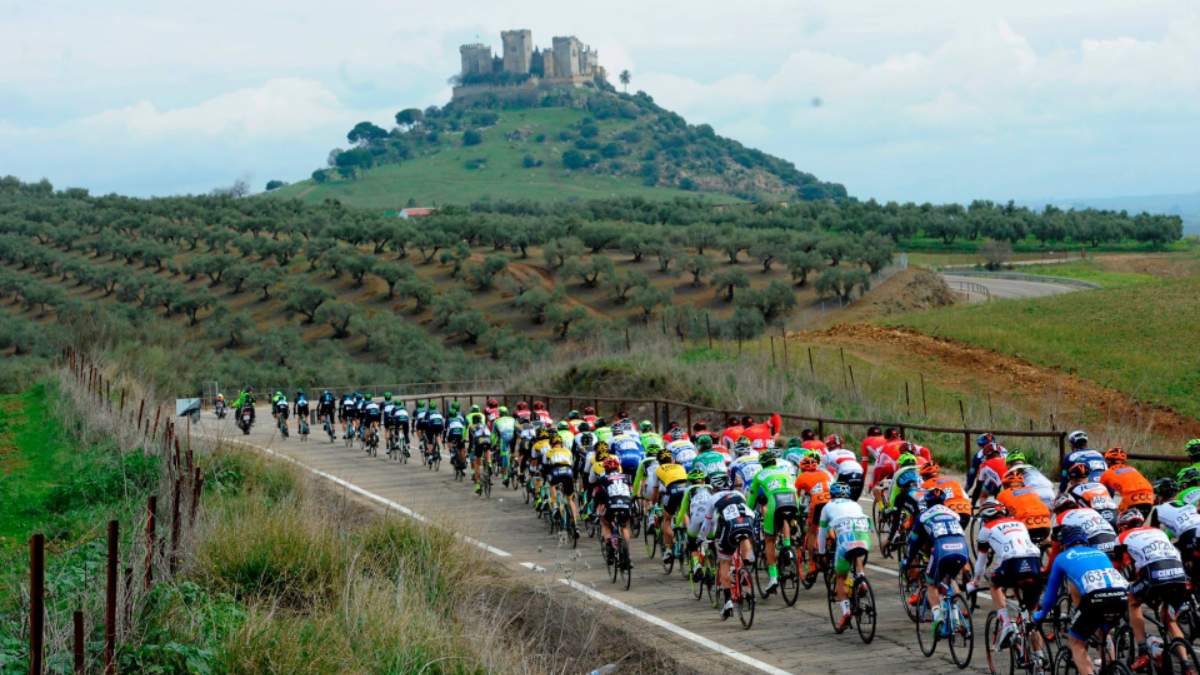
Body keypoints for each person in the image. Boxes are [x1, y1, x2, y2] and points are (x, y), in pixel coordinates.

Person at [1033, 526, 1129, 675]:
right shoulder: (1100, 553)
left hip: (1095, 600)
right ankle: (1111, 669)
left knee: (1076, 644)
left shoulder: (1062, 557)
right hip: (1122, 597)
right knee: (1104, 633)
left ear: (1063, 544)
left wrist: (1041, 615)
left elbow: (1051, 595)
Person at [969, 499, 1046, 665]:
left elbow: (981, 564)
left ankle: (1006, 624)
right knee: (1030, 617)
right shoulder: (1019, 523)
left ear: (985, 517)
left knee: (994, 583)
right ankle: (1040, 660)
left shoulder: (986, 529)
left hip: (1012, 562)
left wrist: (974, 583)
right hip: (1034, 562)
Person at [1116, 509, 1194, 672]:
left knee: (1133, 602)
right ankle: (1186, 664)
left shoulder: (1122, 537)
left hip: (1156, 575)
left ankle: (1143, 652)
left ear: (1123, 526)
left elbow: (1116, 565)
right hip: (1179, 575)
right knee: (1169, 620)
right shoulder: (1157, 531)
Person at [905, 488, 970, 635]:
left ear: (927, 502)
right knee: (950, 579)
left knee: (931, 584)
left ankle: (938, 618)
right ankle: (955, 620)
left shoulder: (922, 516)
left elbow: (914, 542)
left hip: (942, 550)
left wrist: (908, 561)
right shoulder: (954, 514)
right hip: (962, 549)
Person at [698, 472, 756, 620]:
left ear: (714, 487)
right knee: (744, 537)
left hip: (731, 526)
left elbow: (707, 523)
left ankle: (728, 601)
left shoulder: (713, 498)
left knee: (724, 562)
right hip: (748, 522)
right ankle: (746, 566)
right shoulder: (738, 493)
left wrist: (701, 538)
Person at [818, 481, 873, 629]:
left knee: (840, 577)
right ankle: (861, 580)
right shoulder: (855, 504)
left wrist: (822, 553)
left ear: (831, 494)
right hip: (864, 538)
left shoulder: (827, 506)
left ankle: (846, 612)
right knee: (856, 556)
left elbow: (822, 534)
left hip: (845, 540)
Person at [747, 449, 799, 595]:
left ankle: (774, 577)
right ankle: (788, 549)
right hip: (793, 500)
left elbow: (751, 502)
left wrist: (748, 512)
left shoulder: (759, 475)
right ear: (775, 462)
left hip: (775, 502)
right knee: (785, 519)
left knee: (769, 540)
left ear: (762, 464)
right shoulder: (785, 471)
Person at [1048, 494, 1120, 566]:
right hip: (1114, 541)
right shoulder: (1091, 510)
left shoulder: (1060, 517)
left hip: (1094, 546)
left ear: (1058, 511)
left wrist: (1048, 569)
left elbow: (1055, 548)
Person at [794, 451, 834, 581]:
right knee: (828, 525)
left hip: (817, 502)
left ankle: (811, 565)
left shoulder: (800, 477)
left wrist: (797, 512)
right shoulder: (824, 473)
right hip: (832, 500)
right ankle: (831, 542)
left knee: (812, 532)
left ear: (803, 468)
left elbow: (796, 498)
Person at [649, 450, 689, 564]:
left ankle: (668, 550)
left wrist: (653, 504)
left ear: (659, 461)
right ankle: (688, 537)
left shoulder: (657, 470)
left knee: (667, 519)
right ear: (671, 460)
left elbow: (656, 492)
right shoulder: (679, 466)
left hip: (672, 490)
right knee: (683, 511)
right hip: (686, 489)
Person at [595, 454, 634, 568]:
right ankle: (627, 556)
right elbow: (631, 494)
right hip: (626, 504)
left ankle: (609, 543)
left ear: (606, 469)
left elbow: (598, 497)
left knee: (605, 524)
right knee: (624, 527)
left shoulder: (602, 479)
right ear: (618, 468)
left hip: (612, 504)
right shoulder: (627, 477)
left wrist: (594, 510)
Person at [996, 467, 1052, 546]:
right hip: (1046, 525)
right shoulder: (1032, 490)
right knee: (1046, 542)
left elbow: (1000, 514)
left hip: (1026, 526)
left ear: (1005, 485)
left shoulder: (1002, 494)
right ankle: (1051, 556)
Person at [1098, 447, 1153, 516]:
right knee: (1138, 525)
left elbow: (1100, 494)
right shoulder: (1132, 469)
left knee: (1117, 523)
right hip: (1149, 496)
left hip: (1130, 497)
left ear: (1108, 461)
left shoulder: (1106, 474)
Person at [1066, 461, 1119, 529]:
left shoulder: (1072, 489)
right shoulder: (1101, 485)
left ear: (1073, 480)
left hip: (1095, 521)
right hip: (1115, 516)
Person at [543, 435, 579, 534]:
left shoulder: (549, 452)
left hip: (555, 471)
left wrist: (545, 476)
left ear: (551, 445)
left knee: (551, 484)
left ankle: (554, 505)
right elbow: (571, 464)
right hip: (568, 472)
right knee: (570, 500)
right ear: (561, 444)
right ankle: (575, 525)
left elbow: (545, 466)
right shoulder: (567, 451)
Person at [919, 463, 972, 529]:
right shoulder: (950, 480)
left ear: (925, 477)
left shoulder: (926, 484)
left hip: (951, 511)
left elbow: (921, 500)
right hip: (966, 510)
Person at [492, 407, 517, 485]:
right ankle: (514, 461)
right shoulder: (513, 419)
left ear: (499, 414)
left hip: (504, 437)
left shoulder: (496, 421)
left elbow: (493, 435)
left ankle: (506, 477)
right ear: (507, 413)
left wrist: (493, 444)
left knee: (505, 456)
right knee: (512, 452)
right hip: (514, 437)